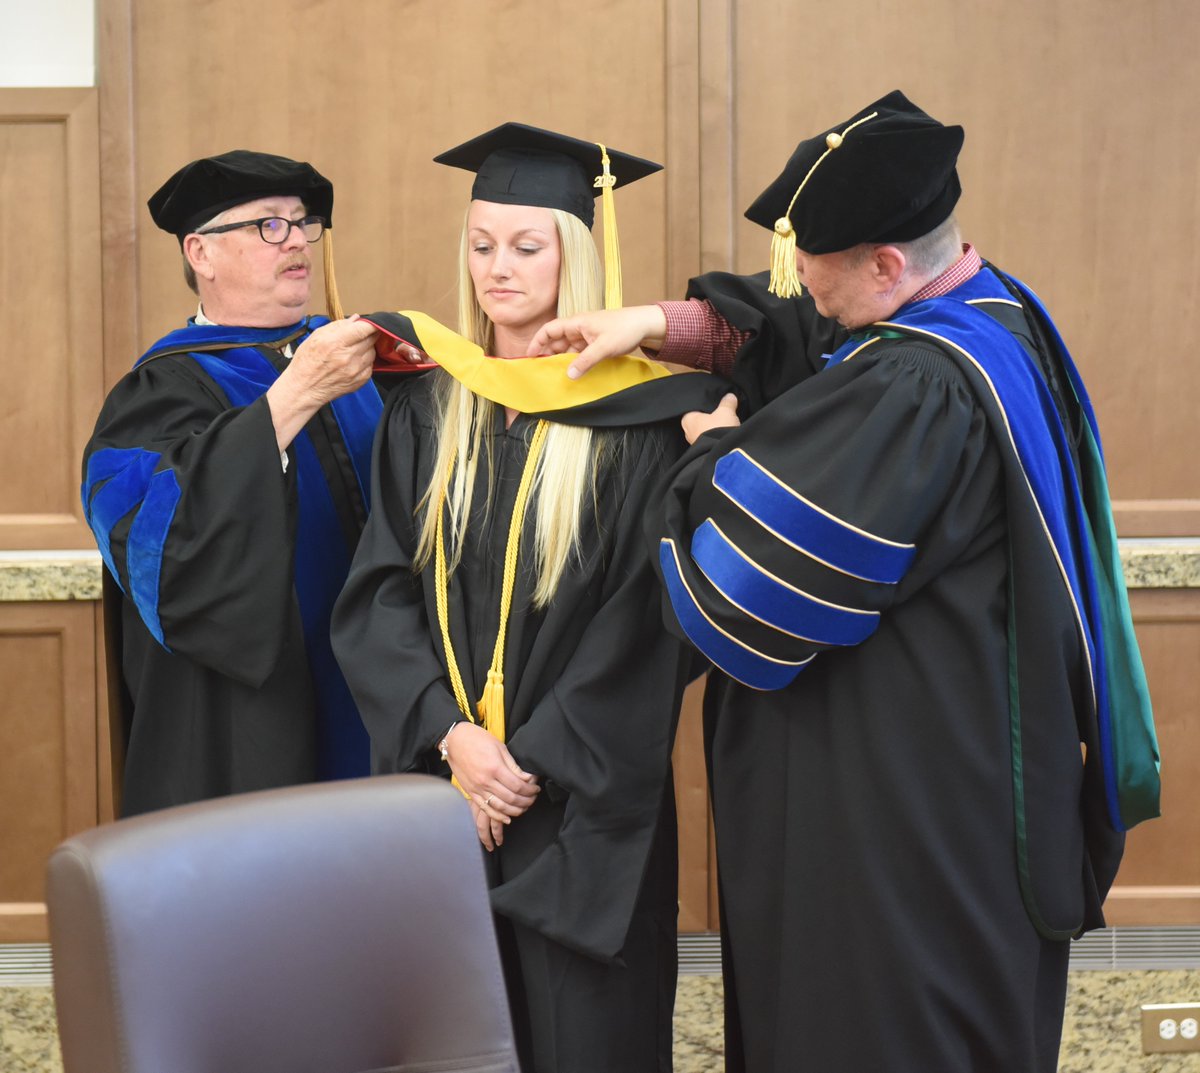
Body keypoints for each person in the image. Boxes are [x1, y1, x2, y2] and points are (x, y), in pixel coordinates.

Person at [528, 91, 1161, 1072]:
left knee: (874, 1025)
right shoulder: (994, 315)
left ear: (887, 264)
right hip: (969, 765)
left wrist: (713, 458)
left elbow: (763, 567)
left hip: (896, 813)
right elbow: (802, 335)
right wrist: (659, 322)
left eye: (812, 268)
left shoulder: (918, 386)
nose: (800, 288)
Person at [331, 124, 727, 1073]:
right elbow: (379, 592)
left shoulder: (642, 424)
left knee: (589, 1038)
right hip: (444, 790)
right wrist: (453, 740)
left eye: (525, 244)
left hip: (579, 805)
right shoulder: (428, 409)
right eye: (480, 244)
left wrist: (521, 771)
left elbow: (647, 621)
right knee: (455, 1034)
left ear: (576, 254)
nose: (495, 268)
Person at [81, 150, 383, 816]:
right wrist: (287, 403)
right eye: (268, 225)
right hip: (247, 728)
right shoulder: (158, 392)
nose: (297, 240)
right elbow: (161, 551)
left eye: (303, 223)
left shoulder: (358, 367)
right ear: (201, 253)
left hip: (375, 706)